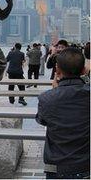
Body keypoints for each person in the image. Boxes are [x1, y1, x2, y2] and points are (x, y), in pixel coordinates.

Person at [36, 48, 90, 179]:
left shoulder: (46, 98)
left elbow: (42, 120)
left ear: (57, 70)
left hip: (57, 168)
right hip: (86, 166)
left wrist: (56, 91)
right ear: (83, 70)